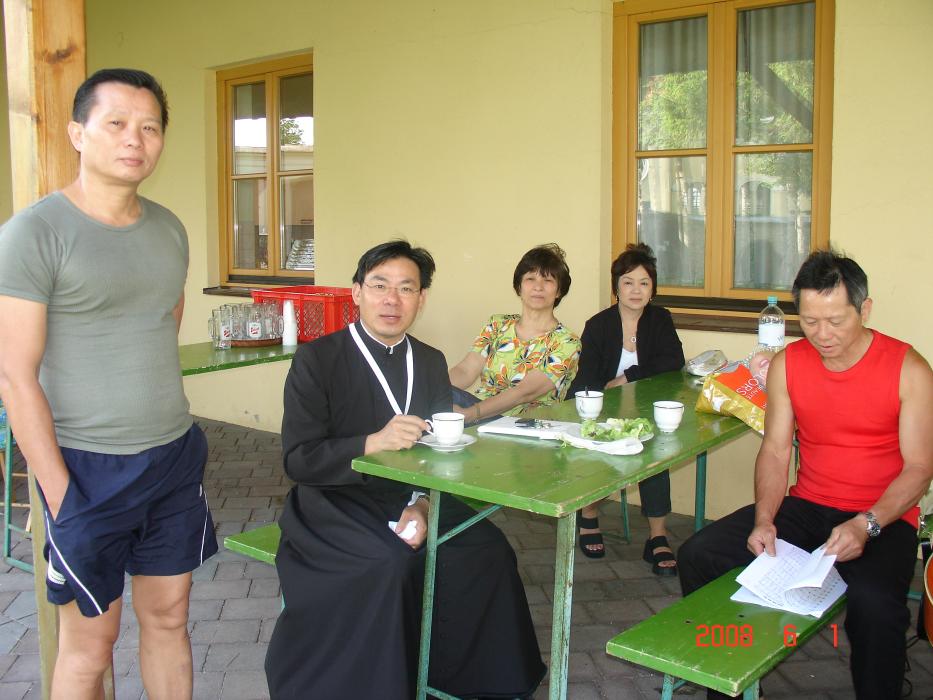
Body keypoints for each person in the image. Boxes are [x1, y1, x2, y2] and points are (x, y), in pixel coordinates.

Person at [0, 69, 216, 699]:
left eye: (150, 127)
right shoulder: (34, 233)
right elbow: (14, 375)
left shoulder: (169, 229)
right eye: (116, 123)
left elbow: (163, 322)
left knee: (169, 618)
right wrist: (60, 495)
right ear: (78, 133)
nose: (134, 140)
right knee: (90, 645)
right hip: (85, 467)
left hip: (172, 455)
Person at [264, 240, 545, 699]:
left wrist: (423, 505)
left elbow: (438, 450)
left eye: (406, 288)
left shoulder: (430, 361)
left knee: (488, 550)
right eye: (379, 286)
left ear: (422, 298)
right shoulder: (318, 359)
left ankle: (462, 682)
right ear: (357, 292)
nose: (392, 300)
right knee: (388, 563)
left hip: (413, 493)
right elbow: (298, 458)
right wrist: (371, 443)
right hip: (333, 498)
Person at [678, 250, 933, 699]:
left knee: (875, 606)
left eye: (835, 320)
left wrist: (866, 524)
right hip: (809, 505)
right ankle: (729, 682)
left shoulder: (908, 369)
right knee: (701, 553)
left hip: (882, 517)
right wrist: (764, 519)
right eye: (810, 321)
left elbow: (920, 468)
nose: (822, 334)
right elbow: (776, 451)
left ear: (865, 309)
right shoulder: (789, 363)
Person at [568, 243, 685, 566]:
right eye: (628, 282)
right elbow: (588, 378)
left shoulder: (659, 319)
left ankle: (657, 536)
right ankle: (588, 515)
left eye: (644, 283)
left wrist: (629, 376)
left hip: (644, 409)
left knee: (655, 452)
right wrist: (603, 409)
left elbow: (673, 360)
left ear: (653, 289)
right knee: (604, 452)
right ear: (616, 287)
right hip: (600, 409)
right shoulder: (599, 325)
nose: (636, 290)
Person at [448, 243, 581, 424]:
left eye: (548, 280)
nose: (538, 287)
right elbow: (465, 371)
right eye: (530, 279)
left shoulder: (567, 342)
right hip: (480, 415)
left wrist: (471, 413)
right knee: (430, 390)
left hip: (526, 424)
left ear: (559, 291)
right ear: (519, 287)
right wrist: (434, 390)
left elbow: (523, 393)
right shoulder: (497, 325)